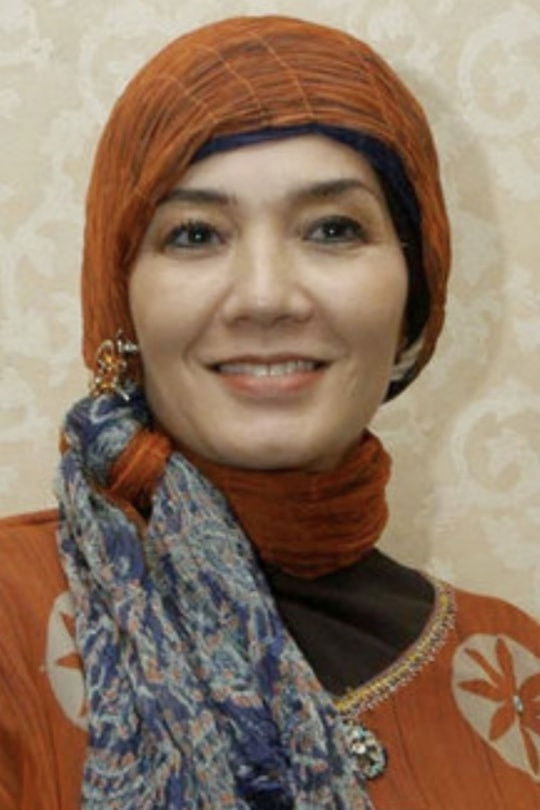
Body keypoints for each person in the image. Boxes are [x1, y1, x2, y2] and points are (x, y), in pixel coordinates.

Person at [0, 14, 538, 810]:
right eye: (194, 234)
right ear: (120, 301)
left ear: (413, 301)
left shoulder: (515, 665)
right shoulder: (12, 617)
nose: (265, 297)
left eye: (332, 229)